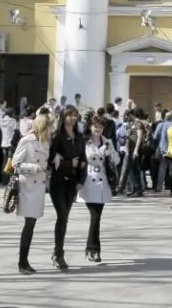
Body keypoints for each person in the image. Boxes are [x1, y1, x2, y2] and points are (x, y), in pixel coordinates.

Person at [13, 110, 53, 275]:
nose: (51, 130)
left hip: (38, 188)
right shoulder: (26, 141)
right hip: (27, 187)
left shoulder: (46, 143)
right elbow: (15, 164)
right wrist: (35, 168)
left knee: (31, 225)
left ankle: (24, 260)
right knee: (28, 225)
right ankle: (22, 261)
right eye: (49, 127)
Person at [48, 106, 85, 270]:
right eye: (69, 115)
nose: (73, 118)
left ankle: (58, 251)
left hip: (72, 182)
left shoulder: (79, 137)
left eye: (75, 115)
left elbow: (83, 160)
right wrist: (70, 163)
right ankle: (58, 254)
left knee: (65, 217)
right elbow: (50, 161)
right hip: (57, 182)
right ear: (63, 117)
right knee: (62, 216)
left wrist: (81, 179)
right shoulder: (57, 136)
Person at [80, 114, 120, 262]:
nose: (98, 129)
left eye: (101, 127)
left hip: (102, 183)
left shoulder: (107, 142)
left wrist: (110, 156)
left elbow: (117, 159)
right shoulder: (84, 143)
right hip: (89, 182)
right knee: (95, 217)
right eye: (95, 126)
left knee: (96, 217)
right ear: (90, 127)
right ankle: (93, 249)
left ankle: (92, 249)